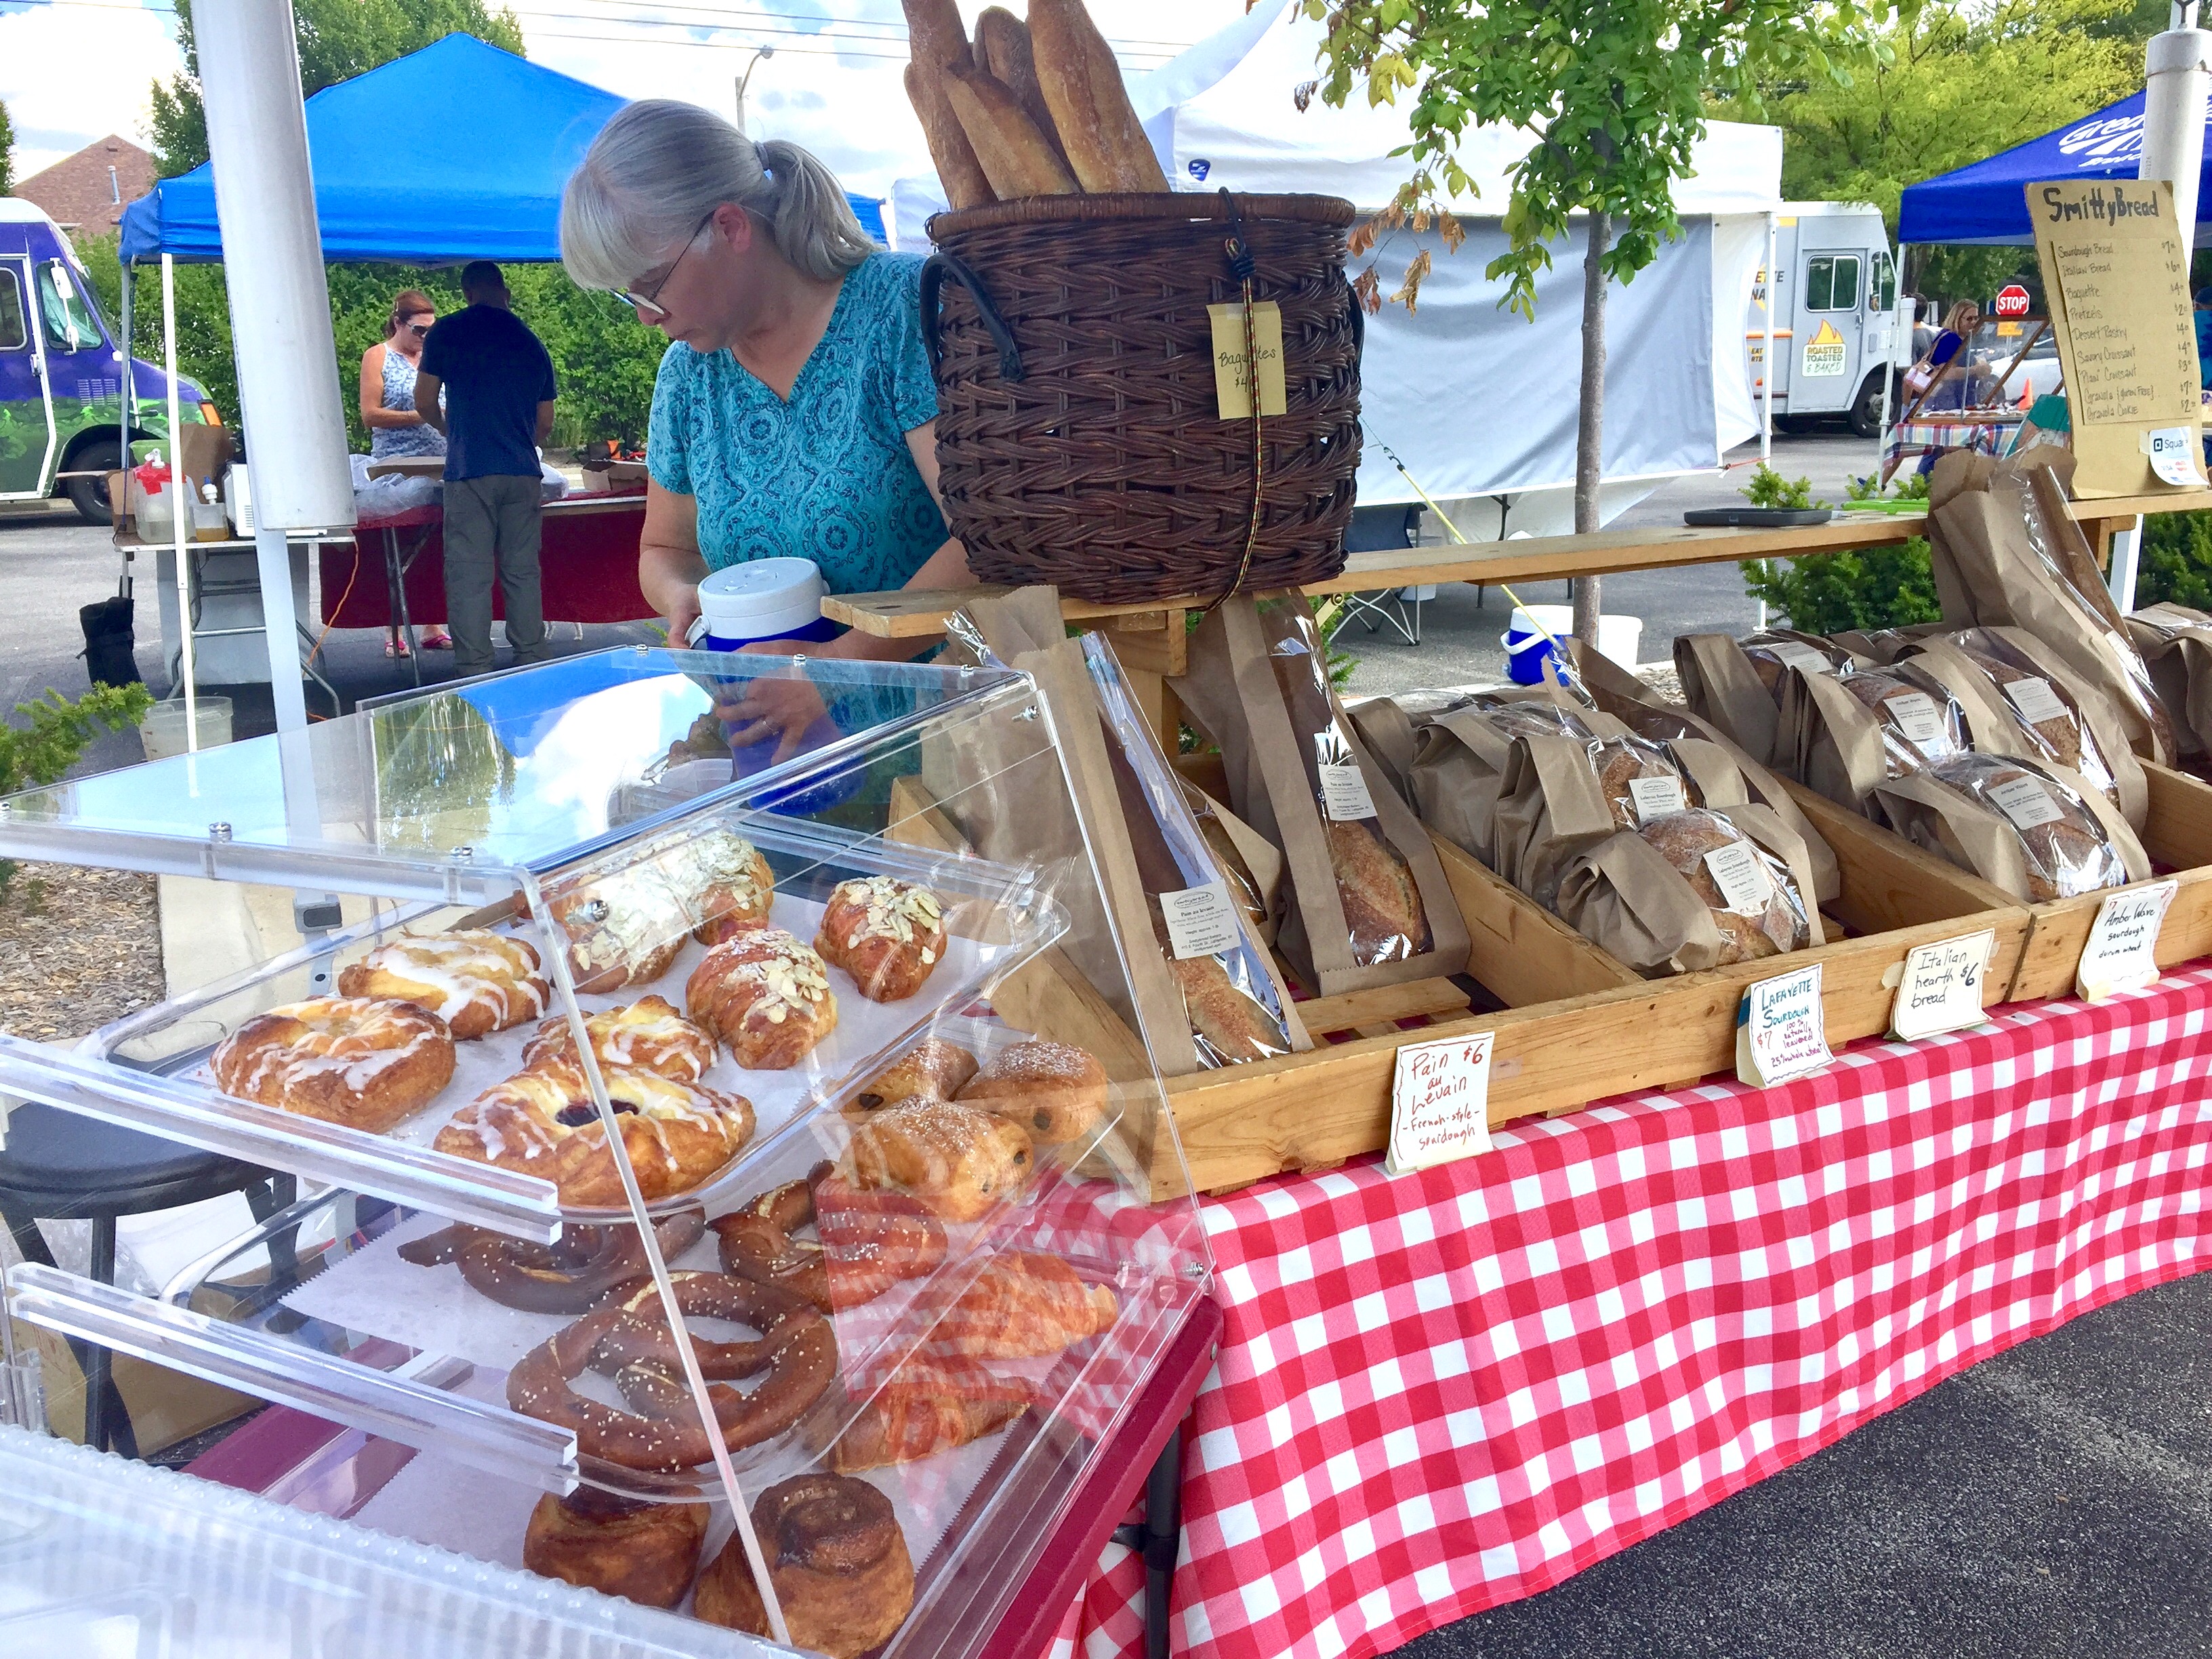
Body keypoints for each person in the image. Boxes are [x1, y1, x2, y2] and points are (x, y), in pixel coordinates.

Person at [559, 100, 971, 756]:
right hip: (778, 762)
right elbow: (663, 550)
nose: (646, 317)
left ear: (728, 227)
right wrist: (682, 597)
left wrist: (834, 671)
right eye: (628, 297)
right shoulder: (688, 377)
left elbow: (984, 538)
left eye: (648, 286)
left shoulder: (903, 312)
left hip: (950, 752)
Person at [413, 262, 558, 678]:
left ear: (467, 293)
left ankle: (474, 667)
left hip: (470, 469)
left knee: (469, 574)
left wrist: (451, 430)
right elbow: (544, 423)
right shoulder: (531, 342)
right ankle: (530, 658)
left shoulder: (448, 331)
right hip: (522, 471)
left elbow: (425, 400)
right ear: (505, 292)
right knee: (522, 570)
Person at [359, 289, 452, 657]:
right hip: (397, 464)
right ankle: (392, 628)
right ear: (398, 323)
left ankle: (432, 623)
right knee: (398, 545)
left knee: (438, 545)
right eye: (418, 330)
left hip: (439, 460)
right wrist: (423, 414)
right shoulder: (377, 357)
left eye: (431, 330)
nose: (424, 338)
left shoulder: (433, 357)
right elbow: (370, 414)